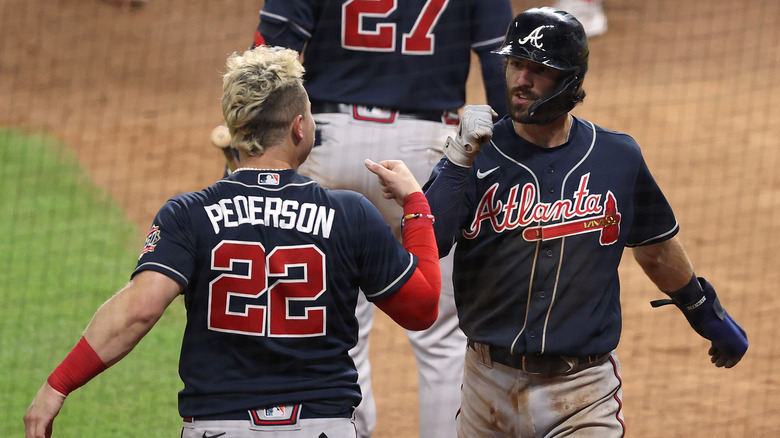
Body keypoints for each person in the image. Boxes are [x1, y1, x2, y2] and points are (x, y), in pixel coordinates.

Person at [24, 45, 442, 438]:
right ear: (299, 127)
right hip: (322, 425)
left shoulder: (189, 214)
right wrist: (416, 205)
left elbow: (138, 311)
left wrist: (57, 385)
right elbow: (422, 309)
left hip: (218, 426)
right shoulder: (350, 214)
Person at [423, 7, 748, 437]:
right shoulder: (475, 154)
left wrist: (702, 310)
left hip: (583, 392)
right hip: (487, 389)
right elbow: (428, 241)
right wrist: (458, 159)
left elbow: (654, 247)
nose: (521, 80)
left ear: (572, 79)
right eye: (515, 64)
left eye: (538, 70)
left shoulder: (617, 157)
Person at [251, 1, 514, 437]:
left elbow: (268, 61)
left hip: (326, 145)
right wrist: (510, 160)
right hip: (429, 153)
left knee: (335, 316)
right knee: (443, 335)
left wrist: (256, 148)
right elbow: (498, 65)